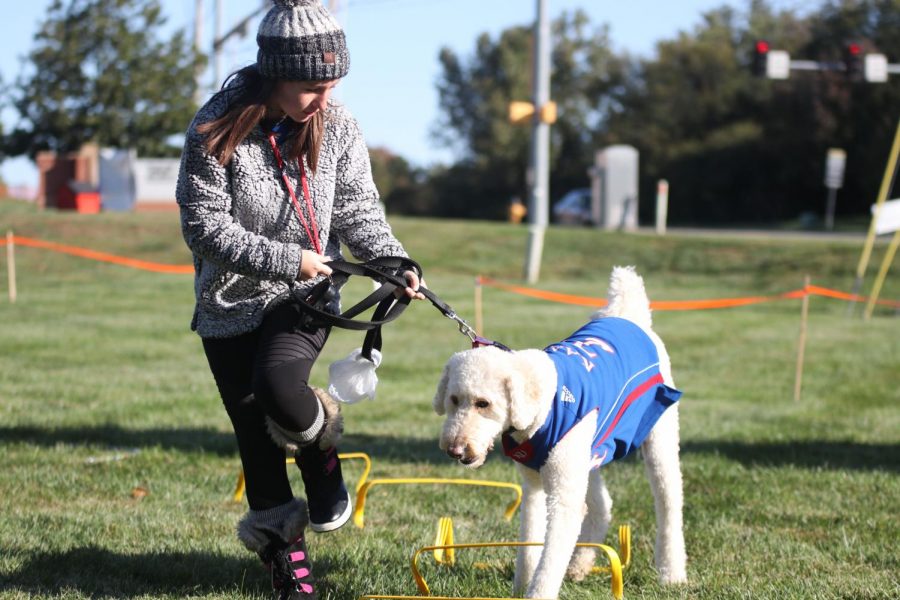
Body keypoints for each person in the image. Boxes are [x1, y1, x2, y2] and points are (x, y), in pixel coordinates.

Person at [175, 1, 423, 598]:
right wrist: (288, 257)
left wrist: (393, 261)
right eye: (313, 86)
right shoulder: (214, 129)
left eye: (333, 84)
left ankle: (320, 448)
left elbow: (359, 209)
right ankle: (286, 565)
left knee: (280, 389)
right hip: (228, 302)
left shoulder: (337, 124)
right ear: (274, 74)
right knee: (256, 441)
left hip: (306, 296)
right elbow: (203, 228)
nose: (325, 97)